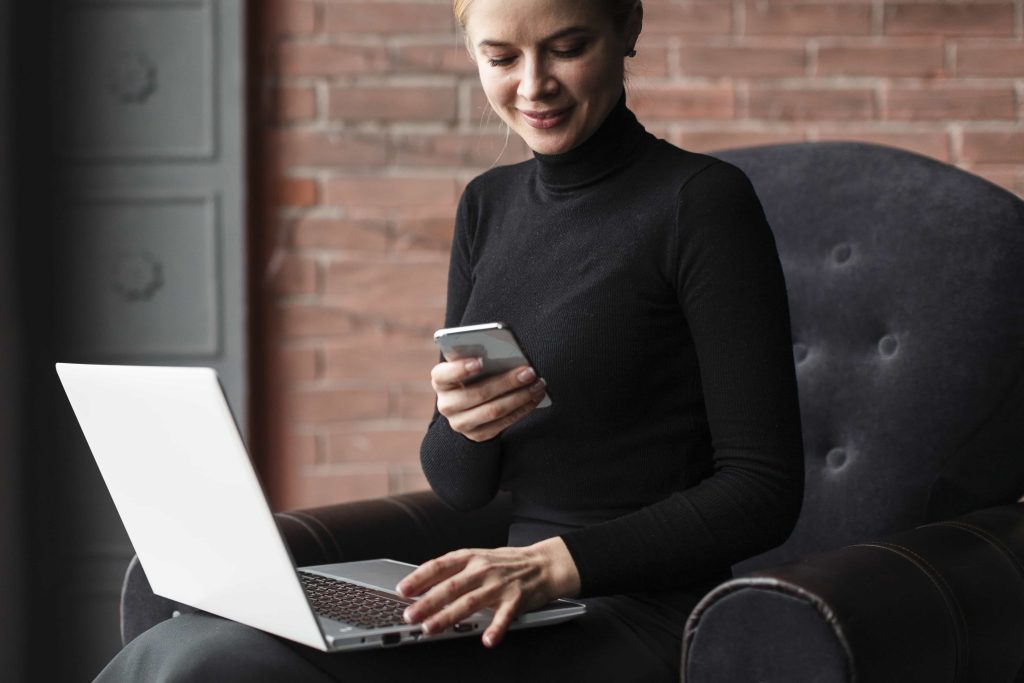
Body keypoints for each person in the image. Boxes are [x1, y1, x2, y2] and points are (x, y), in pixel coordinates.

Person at [94, 0, 804, 680]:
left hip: (635, 616)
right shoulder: (487, 206)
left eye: (567, 47)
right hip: (507, 602)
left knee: (218, 663)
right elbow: (459, 487)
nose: (534, 85)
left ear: (629, 26)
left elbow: (763, 489)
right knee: (189, 638)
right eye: (501, 56)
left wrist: (554, 564)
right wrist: (466, 427)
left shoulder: (701, 203)